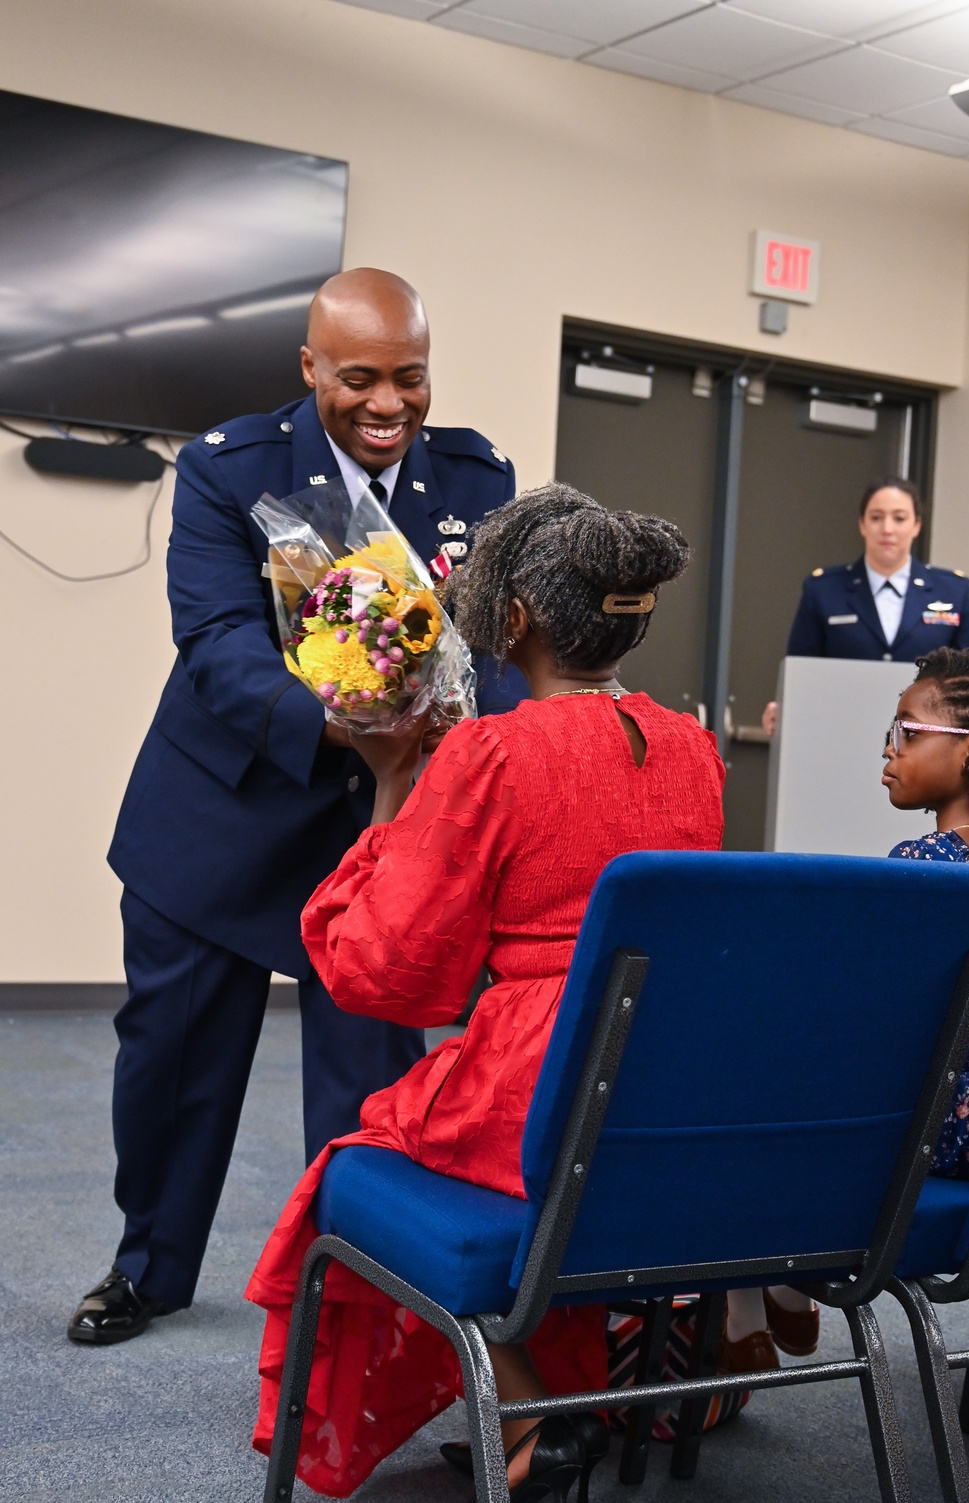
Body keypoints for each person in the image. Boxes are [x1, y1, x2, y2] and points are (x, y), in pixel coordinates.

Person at [245, 482, 727, 1500]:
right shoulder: (692, 748)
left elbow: (395, 971)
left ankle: (527, 1401)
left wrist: (389, 785)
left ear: (509, 620)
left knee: (358, 1165)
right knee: (554, 1191)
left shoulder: (490, 751)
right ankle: (523, 1404)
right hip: (662, 1078)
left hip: (531, 1079)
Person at [68, 268, 521, 1346]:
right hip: (219, 814)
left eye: (409, 378)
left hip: (377, 830)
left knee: (368, 1085)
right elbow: (217, 641)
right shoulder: (230, 468)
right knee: (171, 1063)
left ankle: (359, 1289)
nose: (387, 404)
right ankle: (150, 1267)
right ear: (309, 368)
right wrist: (347, 726)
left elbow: (495, 644)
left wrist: (465, 743)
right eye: (358, 377)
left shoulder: (473, 474)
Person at [882, 648, 969, 1175]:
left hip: (938, 1130)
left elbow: (885, 1031)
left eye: (909, 732)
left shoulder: (925, 866)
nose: (889, 748)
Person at [762, 478, 969, 736]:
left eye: (899, 518)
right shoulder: (823, 589)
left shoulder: (953, 590)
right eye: (876, 517)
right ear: (862, 524)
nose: (887, 529)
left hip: (926, 736)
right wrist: (785, 706)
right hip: (840, 729)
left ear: (917, 525)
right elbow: (800, 672)